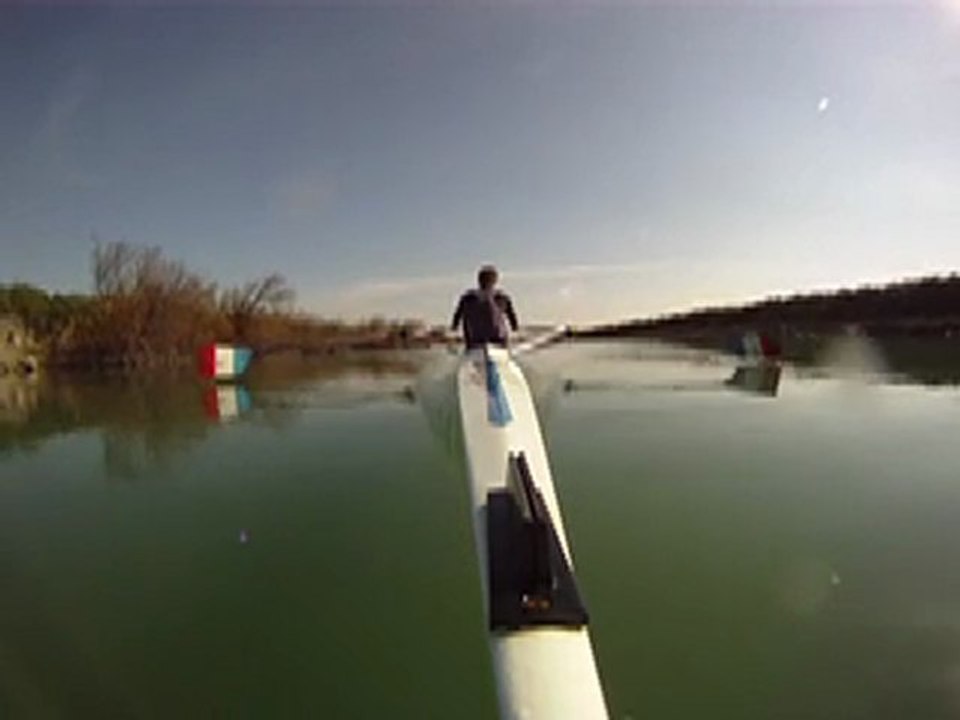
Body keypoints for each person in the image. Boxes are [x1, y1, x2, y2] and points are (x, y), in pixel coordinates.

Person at [451, 265, 519, 349]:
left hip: (478, 341)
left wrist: (454, 328)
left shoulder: (467, 298)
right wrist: (515, 328)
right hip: (491, 341)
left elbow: (457, 317)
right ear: (495, 281)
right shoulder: (501, 297)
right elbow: (512, 318)